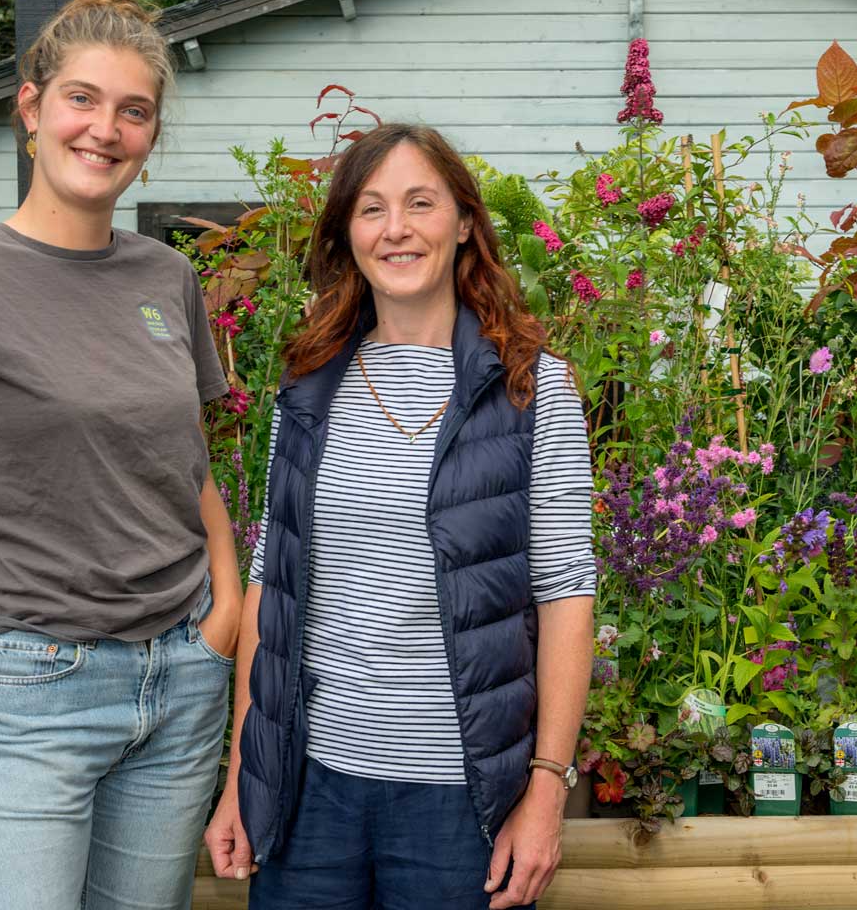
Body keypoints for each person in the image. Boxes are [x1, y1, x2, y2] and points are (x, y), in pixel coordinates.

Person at [0, 0, 242, 908]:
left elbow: (187, 465)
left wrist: (224, 608)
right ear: (31, 110)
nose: (105, 129)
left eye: (134, 110)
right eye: (82, 99)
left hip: (180, 680)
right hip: (31, 692)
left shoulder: (168, 276)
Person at [202, 124, 596, 909]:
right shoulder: (308, 390)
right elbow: (268, 591)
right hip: (307, 792)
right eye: (373, 208)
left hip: (459, 802)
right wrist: (241, 779)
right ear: (347, 235)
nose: (397, 229)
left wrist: (546, 790)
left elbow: (566, 593)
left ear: (463, 225)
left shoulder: (531, 389)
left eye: (421, 203)